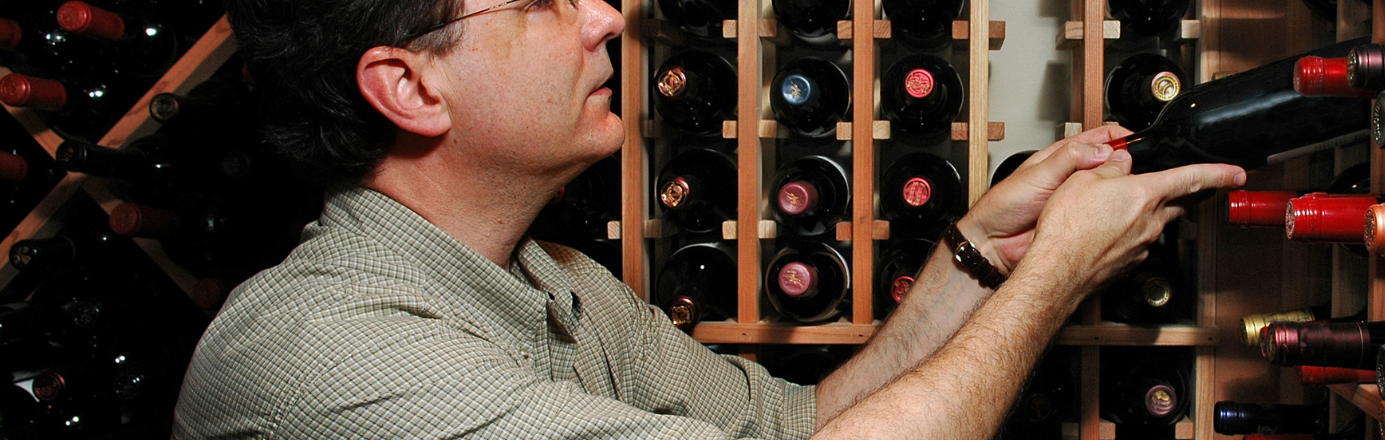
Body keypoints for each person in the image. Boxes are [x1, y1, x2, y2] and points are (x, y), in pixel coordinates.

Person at [172, 0, 1246, 438]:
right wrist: (1059, 274)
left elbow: (796, 422)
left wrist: (981, 253)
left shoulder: (560, 282)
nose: (604, 16)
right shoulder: (324, 354)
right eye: (541, 2)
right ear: (411, 88)